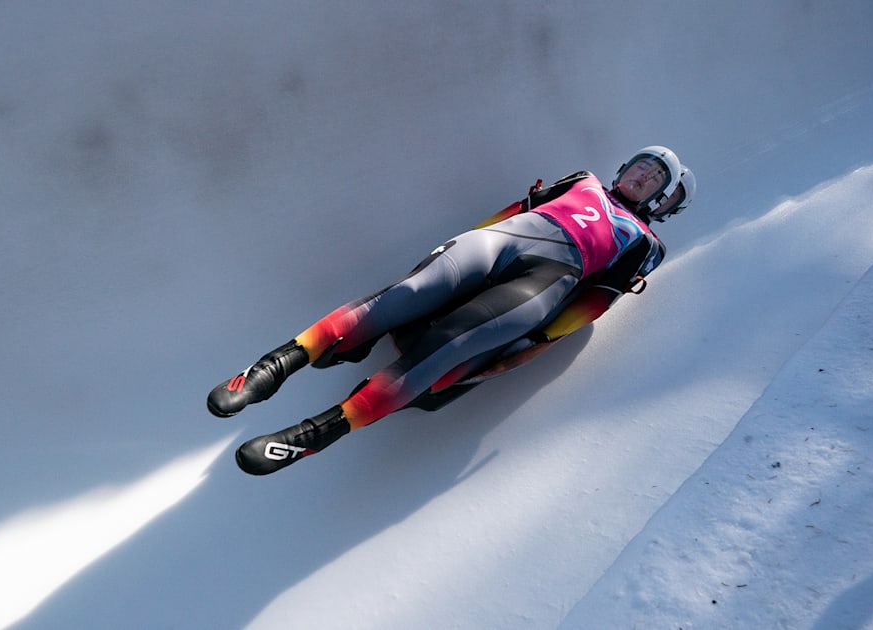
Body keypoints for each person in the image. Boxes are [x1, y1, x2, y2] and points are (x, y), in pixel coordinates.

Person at [208, 147, 696, 475]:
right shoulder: (583, 180)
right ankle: (270, 369)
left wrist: (538, 341)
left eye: (655, 178)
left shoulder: (645, 242)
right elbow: (512, 212)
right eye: (641, 165)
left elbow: (595, 302)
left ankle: (315, 433)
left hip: (545, 281)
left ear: (661, 198)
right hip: (501, 241)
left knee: (448, 346)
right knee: (404, 295)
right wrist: (463, 241)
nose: (643, 175)